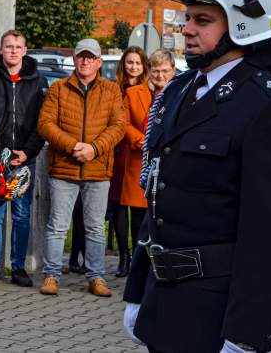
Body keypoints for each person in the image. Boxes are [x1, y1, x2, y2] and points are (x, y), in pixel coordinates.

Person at [123, 0, 271, 353]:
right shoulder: (179, 91)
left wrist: (247, 332)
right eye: (188, 17)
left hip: (217, 312)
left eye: (202, 19)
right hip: (165, 302)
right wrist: (138, 289)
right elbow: (158, 197)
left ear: (243, 25)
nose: (186, 28)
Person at [37, 38, 126, 298]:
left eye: (91, 57)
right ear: (74, 60)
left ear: (99, 62)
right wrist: (73, 145)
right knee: (57, 226)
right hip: (64, 167)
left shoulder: (111, 90)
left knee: (95, 227)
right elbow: (45, 124)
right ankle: (51, 274)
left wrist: (94, 148)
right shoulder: (59, 88)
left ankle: (96, 276)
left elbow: (118, 126)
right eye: (81, 56)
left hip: (97, 170)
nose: (85, 61)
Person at [0, 29, 47, 288]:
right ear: (1, 50)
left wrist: (28, 152)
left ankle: (18, 267)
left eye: (18, 46)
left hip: (24, 159)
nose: (13, 51)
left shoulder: (37, 82)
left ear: (25, 51)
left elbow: (43, 123)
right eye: (8, 46)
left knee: (21, 214)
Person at [116, 50, 176, 278]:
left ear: (172, 71)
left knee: (161, 216)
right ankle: (135, 262)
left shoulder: (180, 91)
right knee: (139, 216)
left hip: (168, 163)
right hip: (139, 161)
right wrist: (141, 140)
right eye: (156, 70)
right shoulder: (133, 93)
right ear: (148, 71)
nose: (160, 75)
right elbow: (123, 123)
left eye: (165, 71)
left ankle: (160, 260)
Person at [110, 47, 149, 277]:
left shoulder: (146, 90)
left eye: (137, 63)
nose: (133, 67)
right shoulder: (114, 88)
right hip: (117, 154)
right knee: (117, 207)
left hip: (135, 155)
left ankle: (135, 257)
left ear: (144, 66)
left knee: (136, 210)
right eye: (129, 62)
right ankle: (123, 257)